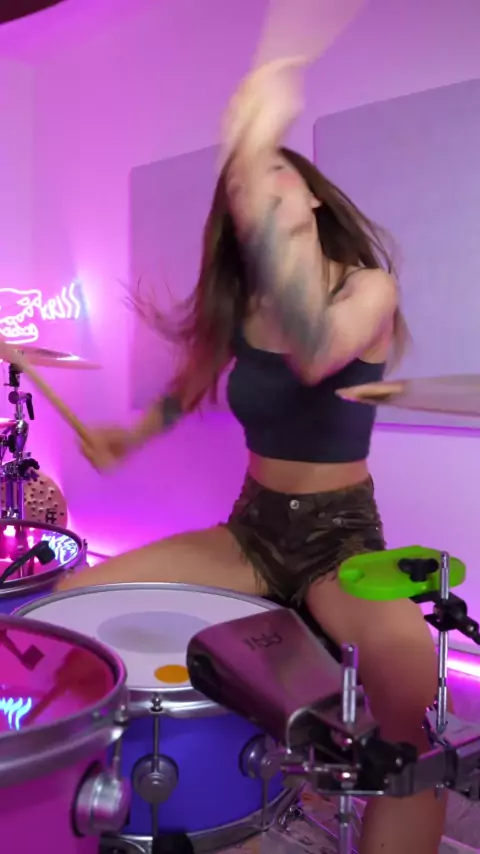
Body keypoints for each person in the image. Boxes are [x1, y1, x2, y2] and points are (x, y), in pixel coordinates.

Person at [58, 60, 444, 854]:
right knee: (72, 602)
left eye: (274, 169)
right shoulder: (248, 309)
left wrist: (257, 138)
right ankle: (151, 803)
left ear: (311, 196)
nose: (256, 187)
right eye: (239, 185)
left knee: (409, 687)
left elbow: (317, 352)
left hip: (339, 540)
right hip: (251, 531)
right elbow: (185, 391)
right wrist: (125, 438)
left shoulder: (365, 289)